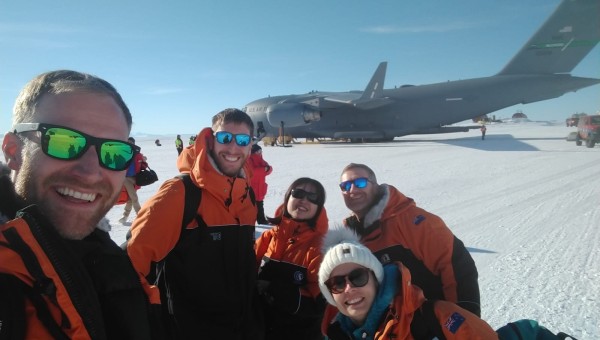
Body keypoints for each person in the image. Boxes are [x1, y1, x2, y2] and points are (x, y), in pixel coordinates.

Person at [0, 70, 161, 339]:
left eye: (113, 152)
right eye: (63, 142)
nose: (89, 172)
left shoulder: (110, 260)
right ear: (14, 151)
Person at [127, 108, 261, 339]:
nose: (233, 148)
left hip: (240, 327)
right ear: (211, 140)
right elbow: (131, 265)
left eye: (242, 140)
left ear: (250, 146)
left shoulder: (245, 195)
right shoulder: (180, 194)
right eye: (225, 138)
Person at [338, 163, 481, 317]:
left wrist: (464, 319)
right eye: (345, 186)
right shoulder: (349, 238)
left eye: (360, 183)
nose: (352, 190)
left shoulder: (413, 221)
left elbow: (457, 266)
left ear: (376, 186)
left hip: (432, 323)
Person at [318, 227, 497, 339]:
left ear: (376, 279)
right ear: (331, 295)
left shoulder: (435, 318)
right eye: (338, 283)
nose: (349, 288)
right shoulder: (335, 335)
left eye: (358, 277)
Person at [255, 177, 328, 340]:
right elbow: (246, 269)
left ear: (319, 207)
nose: (304, 200)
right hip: (260, 328)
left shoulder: (320, 247)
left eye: (313, 197)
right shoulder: (270, 236)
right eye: (298, 193)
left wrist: (273, 288)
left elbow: (319, 304)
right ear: (288, 197)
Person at [119, 136, 146, 224]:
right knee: (134, 197)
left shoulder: (138, 155)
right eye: (128, 142)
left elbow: (143, 165)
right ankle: (140, 215)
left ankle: (125, 216)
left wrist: (143, 160)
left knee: (131, 198)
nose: (129, 144)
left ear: (134, 144)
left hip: (135, 178)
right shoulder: (123, 153)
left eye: (131, 143)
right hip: (126, 179)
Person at [247, 143, 273, 224]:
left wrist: (267, 169)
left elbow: (269, 169)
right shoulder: (249, 160)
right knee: (251, 206)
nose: (260, 153)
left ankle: (261, 220)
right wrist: (263, 170)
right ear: (253, 152)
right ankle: (250, 221)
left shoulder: (261, 160)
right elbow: (252, 172)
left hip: (260, 187)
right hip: (252, 187)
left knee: (260, 205)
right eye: (258, 151)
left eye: (261, 151)